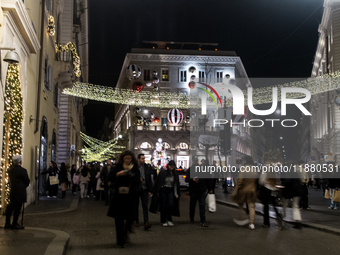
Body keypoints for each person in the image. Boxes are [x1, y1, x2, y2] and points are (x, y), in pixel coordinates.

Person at [107, 151, 140, 248]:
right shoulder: (118, 166)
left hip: (130, 196)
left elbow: (138, 180)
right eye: (126, 158)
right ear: (123, 159)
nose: (128, 160)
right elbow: (110, 177)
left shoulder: (135, 167)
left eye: (129, 158)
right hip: (119, 196)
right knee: (119, 219)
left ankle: (126, 231)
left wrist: (130, 175)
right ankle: (120, 240)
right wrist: (118, 174)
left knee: (131, 217)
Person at [151, 160, 180, 227]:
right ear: (168, 166)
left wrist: (176, 193)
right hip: (163, 190)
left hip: (170, 190)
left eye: (172, 166)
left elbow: (176, 184)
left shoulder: (175, 174)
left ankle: (169, 219)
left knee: (170, 204)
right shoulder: (163, 172)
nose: (171, 167)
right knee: (163, 205)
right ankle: (163, 220)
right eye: (170, 166)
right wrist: (157, 191)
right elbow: (158, 182)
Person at [232, 156, 258, 230]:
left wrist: (236, 189)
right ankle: (251, 223)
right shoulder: (255, 170)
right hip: (252, 191)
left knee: (240, 205)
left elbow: (240, 181)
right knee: (251, 207)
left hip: (243, 190)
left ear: (246, 161)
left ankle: (242, 218)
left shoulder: (243, 169)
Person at [5, 155, 30, 230]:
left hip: (13, 190)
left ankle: (7, 222)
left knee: (11, 207)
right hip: (20, 191)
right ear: (20, 162)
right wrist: (23, 185)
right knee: (17, 208)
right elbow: (27, 181)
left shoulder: (11, 170)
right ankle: (14, 223)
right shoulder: (23, 170)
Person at [186, 157, 213, 227]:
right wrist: (193, 179)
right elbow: (187, 179)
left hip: (201, 189)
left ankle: (202, 220)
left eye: (196, 161)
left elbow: (207, 179)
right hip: (194, 190)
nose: (195, 162)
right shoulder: (190, 169)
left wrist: (210, 188)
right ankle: (192, 218)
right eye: (194, 161)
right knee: (193, 205)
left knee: (202, 205)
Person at [135, 154, 156, 230]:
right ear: (138, 159)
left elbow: (149, 179)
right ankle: (136, 220)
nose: (143, 160)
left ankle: (146, 222)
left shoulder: (147, 167)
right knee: (135, 205)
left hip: (145, 188)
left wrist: (150, 190)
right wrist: (138, 179)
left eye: (144, 158)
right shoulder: (135, 167)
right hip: (136, 188)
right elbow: (132, 176)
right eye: (142, 158)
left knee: (145, 205)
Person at [281, 159, 303, 229]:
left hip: (289, 191)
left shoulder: (287, 171)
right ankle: (298, 221)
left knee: (284, 204)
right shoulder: (297, 171)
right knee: (295, 206)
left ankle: (282, 218)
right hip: (297, 191)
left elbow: (285, 181)